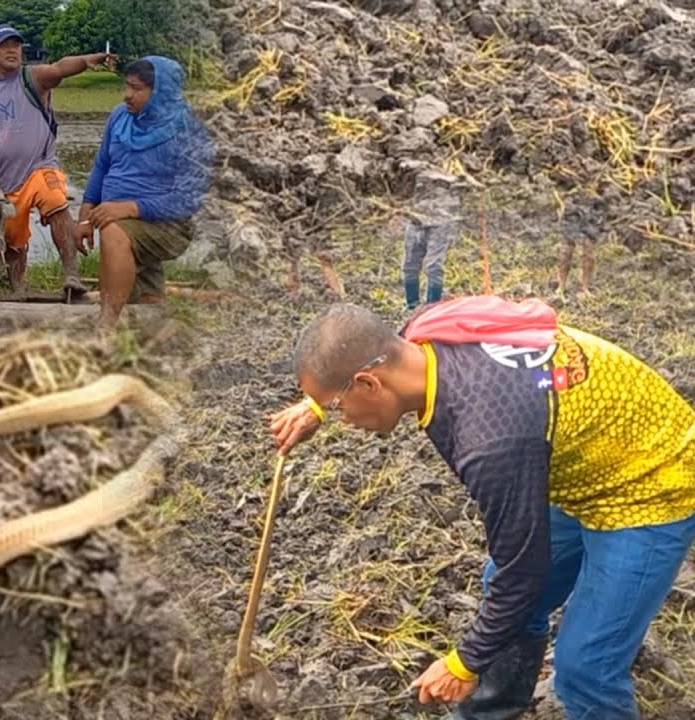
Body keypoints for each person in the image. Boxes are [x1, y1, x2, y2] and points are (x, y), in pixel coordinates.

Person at [268, 297, 695, 720]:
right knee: (509, 598)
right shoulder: (422, 335)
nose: (341, 419)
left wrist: (463, 663)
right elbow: (366, 347)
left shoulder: (489, 440)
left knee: (586, 667)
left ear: (368, 383)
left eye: (337, 407)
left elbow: (524, 570)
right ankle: (490, 711)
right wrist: (316, 404)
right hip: (593, 455)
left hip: (652, 479)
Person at [0, 23, 114, 296]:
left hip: (39, 168)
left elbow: (60, 68)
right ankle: (18, 289)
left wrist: (85, 61)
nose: (12, 50)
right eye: (4, 45)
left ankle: (71, 275)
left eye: (16, 45)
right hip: (4, 178)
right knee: (14, 238)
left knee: (55, 201)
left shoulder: (33, 78)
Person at [76, 56, 214, 329]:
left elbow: (189, 198)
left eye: (137, 89)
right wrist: (84, 215)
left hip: (169, 224)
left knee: (114, 230)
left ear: (162, 92)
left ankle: (106, 326)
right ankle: (152, 326)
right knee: (147, 302)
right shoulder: (121, 116)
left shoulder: (190, 130)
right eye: (126, 86)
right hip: (120, 215)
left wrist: (130, 207)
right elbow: (103, 164)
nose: (128, 95)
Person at [400, 167, 465, 309]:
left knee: (433, 266)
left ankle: (431, 308)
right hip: (416, 219)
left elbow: (464, 184)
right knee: (409, 264)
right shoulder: (413, 166)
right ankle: (411, 305)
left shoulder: (451, 166)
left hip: (442, 219)